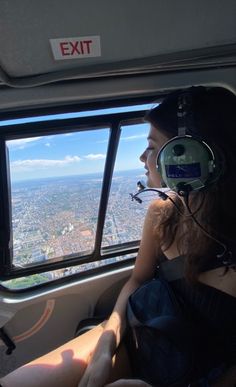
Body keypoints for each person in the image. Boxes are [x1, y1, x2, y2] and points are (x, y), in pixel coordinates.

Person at [1, 86, 236, 387]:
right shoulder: (162, 214)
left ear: (192, 156)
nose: (142, 156)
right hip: (143, 333)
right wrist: (104, 346)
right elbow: (136, 281)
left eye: (152, 146)